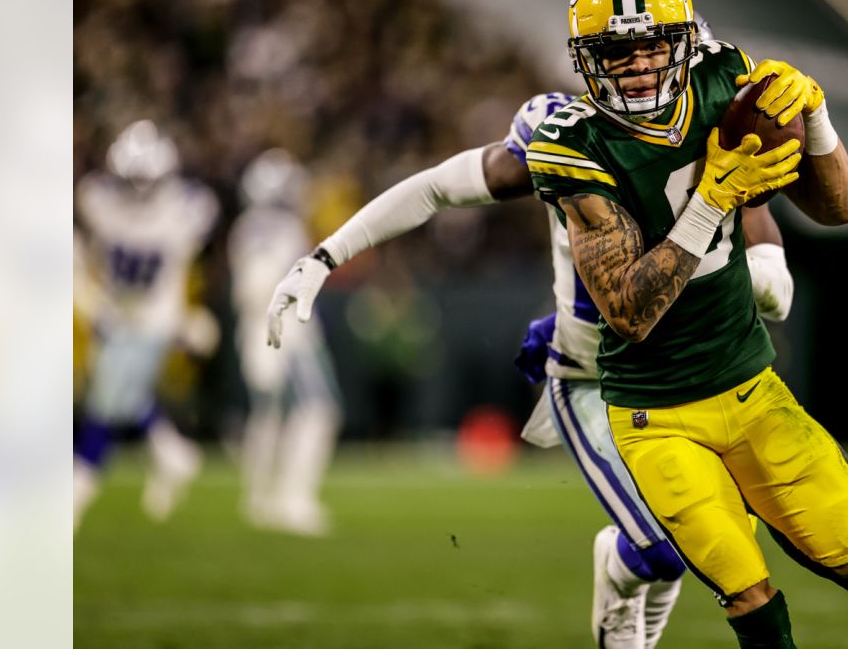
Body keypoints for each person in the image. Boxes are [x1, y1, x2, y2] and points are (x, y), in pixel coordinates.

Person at [266, 38, 795, 649]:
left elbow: (757, 225)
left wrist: (767, 263)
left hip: (691, 375)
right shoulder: (564, 138)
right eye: (630, 58)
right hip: (598, 377)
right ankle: (621, 576)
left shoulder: (716, 133)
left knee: (712, 537)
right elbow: (437, 186)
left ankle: (632, 629)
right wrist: (325, 256)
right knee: (668, 540)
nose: (649, 77)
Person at [526, 0, 848, 648]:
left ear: (683, 40)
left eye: (650, 44)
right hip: (655, 410)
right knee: (748, 593)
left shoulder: (725, 80)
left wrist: (814, 119)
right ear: (586, 57)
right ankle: (727, 536)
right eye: (613, 50)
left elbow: (838, 208)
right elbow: (630, 314)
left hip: (750, 383)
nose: (634, 65)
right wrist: (712, 198)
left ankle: (759, 506)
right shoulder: (574, 145)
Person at [73, 119, 220, 529]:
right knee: (119, 394)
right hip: (117, 312)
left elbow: (194, 259)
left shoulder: (187, 208)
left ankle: (79, 486)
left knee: (107, 397)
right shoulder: (98, 200)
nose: (138, 191)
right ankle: (169, 448)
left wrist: (190, 315)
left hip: (155, 318)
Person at [230, 149, 343, 536]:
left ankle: (259, 498)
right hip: (285, 332)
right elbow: (258, 282)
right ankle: (293, 500)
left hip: (259, 330)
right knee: (318, 410)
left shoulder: (248, 226)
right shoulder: (276, 227)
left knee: (269, 416)